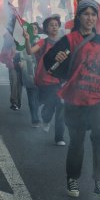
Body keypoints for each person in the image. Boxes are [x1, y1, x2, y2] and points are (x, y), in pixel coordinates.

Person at [44, 0, 100, 199]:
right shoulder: (69, 40)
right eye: (85, 14)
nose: (90, 18)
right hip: (75, 98)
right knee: (77, 141)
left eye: (93, 15)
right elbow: (49, 64)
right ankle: (72, 178)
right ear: (79, 18)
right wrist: (57, 59)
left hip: (99, 97)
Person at [24, 14, 65, 144]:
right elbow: (30, 51)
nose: (54, 27)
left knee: (60, 105)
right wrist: (27, 39)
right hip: (44, 79)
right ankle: (46, 118)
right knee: (51, 103)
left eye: (56, 25)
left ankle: (59, 138)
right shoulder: (43, 42)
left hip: (58, 80)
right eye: (51, 25)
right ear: (46, 29)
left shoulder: (63, 42)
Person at [19, 23, 41, 127]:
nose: (34, 31)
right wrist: (21, 62)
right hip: (29, 74)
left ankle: (44, 115)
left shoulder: (43, 41)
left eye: (35, 29)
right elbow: (22, 55)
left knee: (42, 98)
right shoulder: (23, 43)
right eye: (31, 29)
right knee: (32, 97)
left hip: (42, 74)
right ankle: (35, 118)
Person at [0, 32, 22, 110]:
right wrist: (9, 61)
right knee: (14, 82)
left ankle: (18, 102)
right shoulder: (8, 38)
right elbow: (2, 56)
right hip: (12, 65)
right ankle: (14, 102)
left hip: (22, 64)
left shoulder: (24, 36)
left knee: (19, 84)